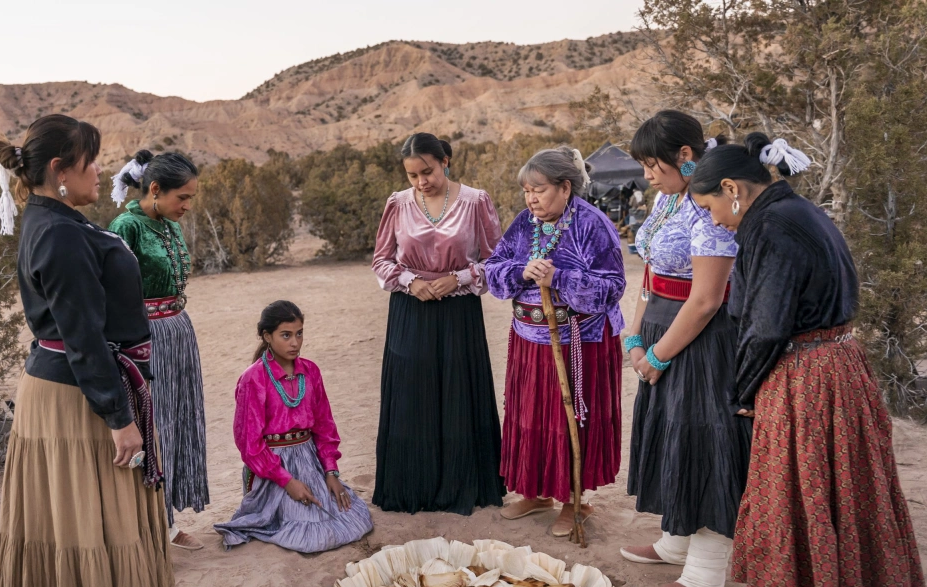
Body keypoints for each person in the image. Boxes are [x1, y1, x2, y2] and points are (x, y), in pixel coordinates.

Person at [688, 134, 926, 587]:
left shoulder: (771, 226)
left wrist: (742, 392)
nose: (716, 222)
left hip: (806, 380)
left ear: (732, 189)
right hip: (834, 370)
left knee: (790, 510)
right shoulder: (797, 211)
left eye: (711, 208)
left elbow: (767, 325)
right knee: (812, 504)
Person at [0, 115, 172, 587]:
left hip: (68, 384)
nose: (100, 172)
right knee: (91, 514)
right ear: (61, 171)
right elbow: (83, 337)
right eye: (90, 162)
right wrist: (118, 416)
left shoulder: (52, 221)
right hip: (76, 394)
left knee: (85, 513)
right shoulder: (60, 234)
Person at [617, 111, 752, 587]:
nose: (647, 175)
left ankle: (706, 575)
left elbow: (707, 299)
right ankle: (676, 539)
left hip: (701, 342)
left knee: (704, 441)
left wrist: (658, 353)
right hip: (661, 330)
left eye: (654, 164)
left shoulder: (708, 208)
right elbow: (652, 271)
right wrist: (634, 334)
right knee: (672, 435)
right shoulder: (669, 198)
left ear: (687, 157)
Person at [485, 146, 626, 537]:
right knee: (531, 418)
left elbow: (612, 288)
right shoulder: (525, 223)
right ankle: (537, 492)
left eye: (539, 189)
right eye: (527, 190)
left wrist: (559, 278)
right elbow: (494, 269)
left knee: (571, 421)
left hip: (581, 344)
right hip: (530, 340)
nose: (531, 198)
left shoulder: (591, 224)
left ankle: (575, 500)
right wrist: (521, 270)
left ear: (565, 187)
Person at [371, 132, 505, 514]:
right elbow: (381, 261)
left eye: (427, 171)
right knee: (412, 396)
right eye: (413, 175)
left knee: (459, 395)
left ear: (445, 160)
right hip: (409, 311)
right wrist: (411, 283)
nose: (420, 182)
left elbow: (497, 261)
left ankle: (464, 486)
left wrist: (460, 278)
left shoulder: (476, 201)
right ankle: (412, 488)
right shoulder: (397, 203)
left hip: (459, 312)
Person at [108, 151, 209, 551]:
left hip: (178, 332)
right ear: (154, 189)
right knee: (154, 426)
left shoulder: (170, 226)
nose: (187, 206)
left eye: (190, 198)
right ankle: (149, 524)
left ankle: (166, 516)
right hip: (145, 339)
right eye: (182, 197)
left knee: (178, 422)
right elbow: (113, 293)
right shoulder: (125, 226)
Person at [214, 301, 373, 551]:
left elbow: (324, 426)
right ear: (267, 336)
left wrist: (331, 472)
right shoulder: (252, 379)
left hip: (310, 461)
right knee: (309, 535)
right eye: (286, 335)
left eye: (299, 334)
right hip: (272, 468)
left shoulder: (311, 371)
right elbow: (249, 444)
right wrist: (287, 481)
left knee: (350, 517)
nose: (295, 343)